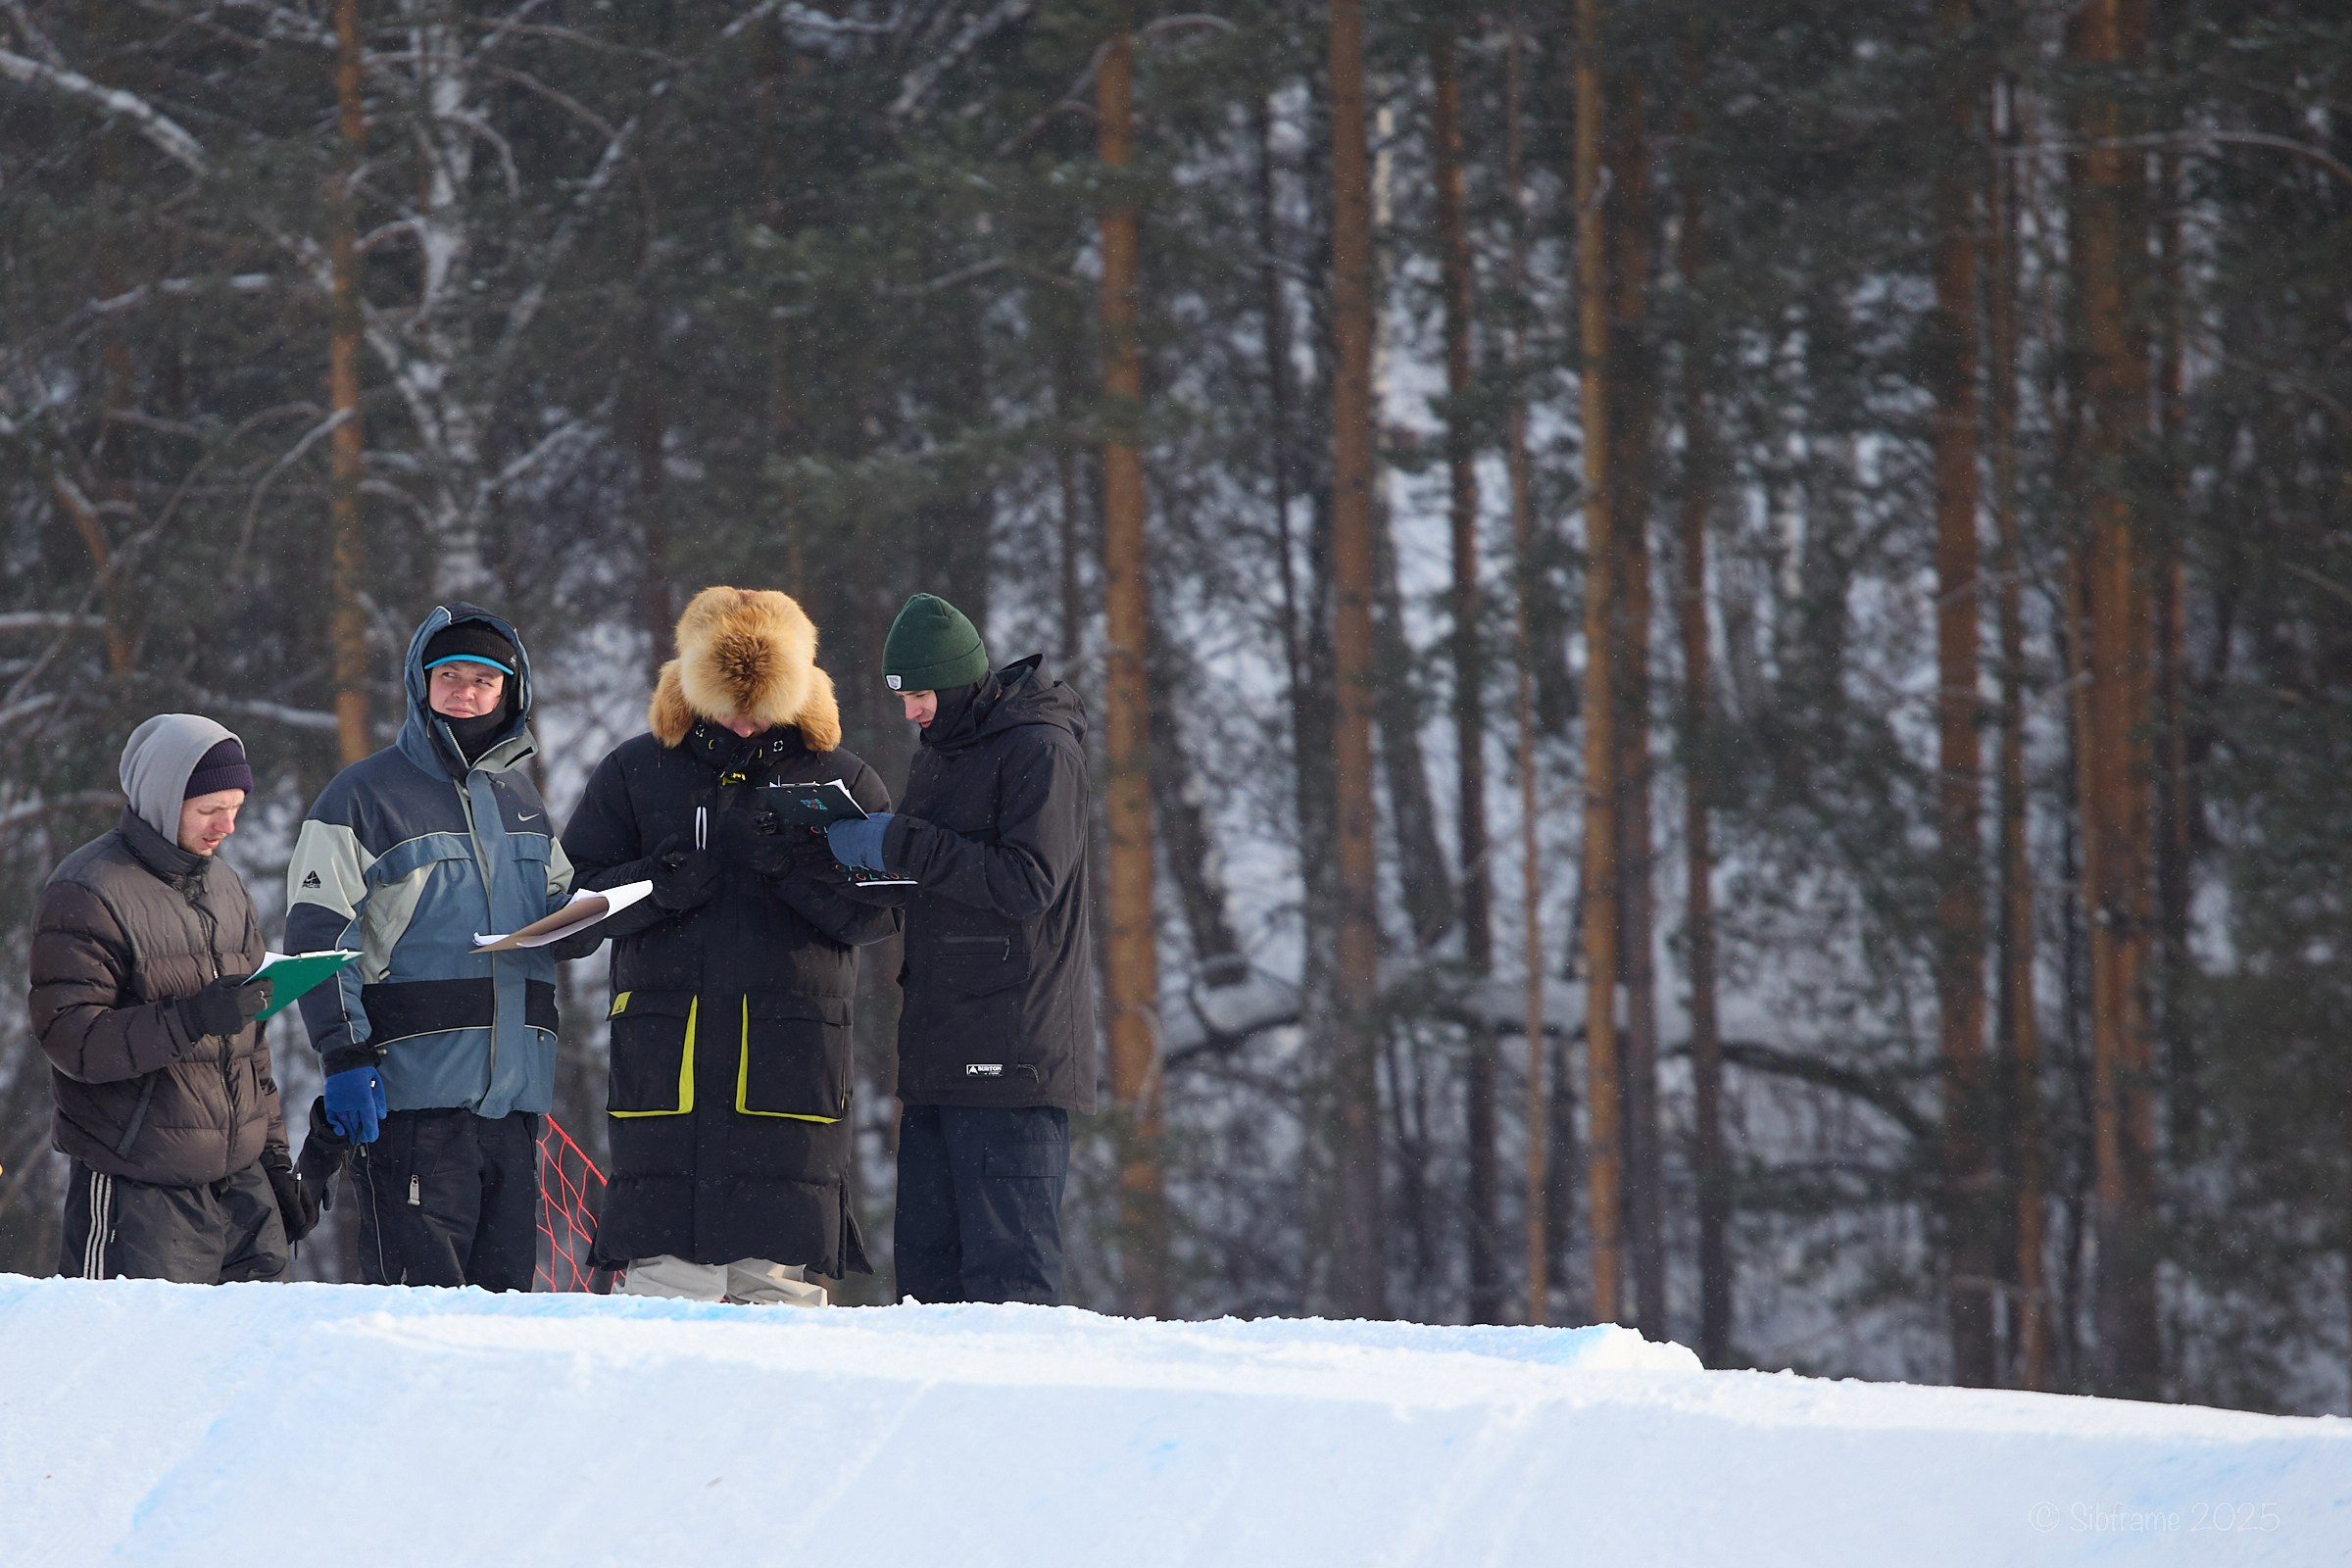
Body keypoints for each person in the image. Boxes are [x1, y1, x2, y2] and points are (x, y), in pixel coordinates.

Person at [561, 585, 899, 1304]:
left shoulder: (840, 778)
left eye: (762, 703)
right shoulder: (636, 770)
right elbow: (569, 910)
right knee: (661, 1301)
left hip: (789, 1079)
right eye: (727, 703)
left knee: (777, 1303)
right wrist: (659, 884)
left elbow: (885, 912)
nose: (745, 723)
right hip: (666, 1076)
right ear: (692, 688)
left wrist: (793, 870)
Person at [283, 605, 570, 1290]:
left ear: (512, 692)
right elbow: (317, 935)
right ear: (421, 681)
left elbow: (561, 910)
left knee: (505, 1325)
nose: (465, 692)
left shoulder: (522, 800)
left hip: (511, 1111)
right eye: (450, 676)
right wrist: (343, 1055)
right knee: (420, 1319)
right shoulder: (363, 794)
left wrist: (611, 911)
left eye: (483, 679)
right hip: (410, 1105)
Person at [823, 592, 1096, 1305]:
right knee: (926, 1293)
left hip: (1013, 1063)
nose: (910, 712)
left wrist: (896, 839)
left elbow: (1027, 883)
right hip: (939, 1060)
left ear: (956, 682)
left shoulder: (1042, 748)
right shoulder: (943, 755)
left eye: (919, 695)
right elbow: (939, 877)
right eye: (902, 697)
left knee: (1009, 1290)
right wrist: (861, 871)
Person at [30, 716, 316, 1282]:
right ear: (164, 798)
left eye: (235, 807)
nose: (227, 826)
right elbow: (71, 1040)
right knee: (135, 1364)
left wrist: (277, 1164)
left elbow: (252, 1047)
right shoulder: (88, 890)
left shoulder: (227, 888)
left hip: (243, 1191)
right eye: (211, 808)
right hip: (139, 1190)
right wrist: (188, 1018)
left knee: (255, 1365)